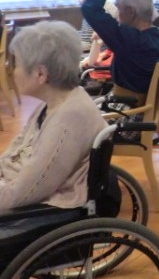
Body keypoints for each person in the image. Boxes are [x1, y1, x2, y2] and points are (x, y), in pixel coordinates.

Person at [0, 21, 107, 236]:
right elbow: (18, 148)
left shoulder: (67, 120)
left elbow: (29, 191)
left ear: (41, 74)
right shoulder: (53, 102)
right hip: (17, 188)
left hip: (48, 210)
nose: (12, 71)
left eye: (17, 64)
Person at [81, 0, 159, 104]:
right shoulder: (156, 35)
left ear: (130, 11)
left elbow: (90, 7)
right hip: (138, 102)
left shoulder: (129, 39)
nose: (117, 15)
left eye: (118, 9)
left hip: (125, 106)